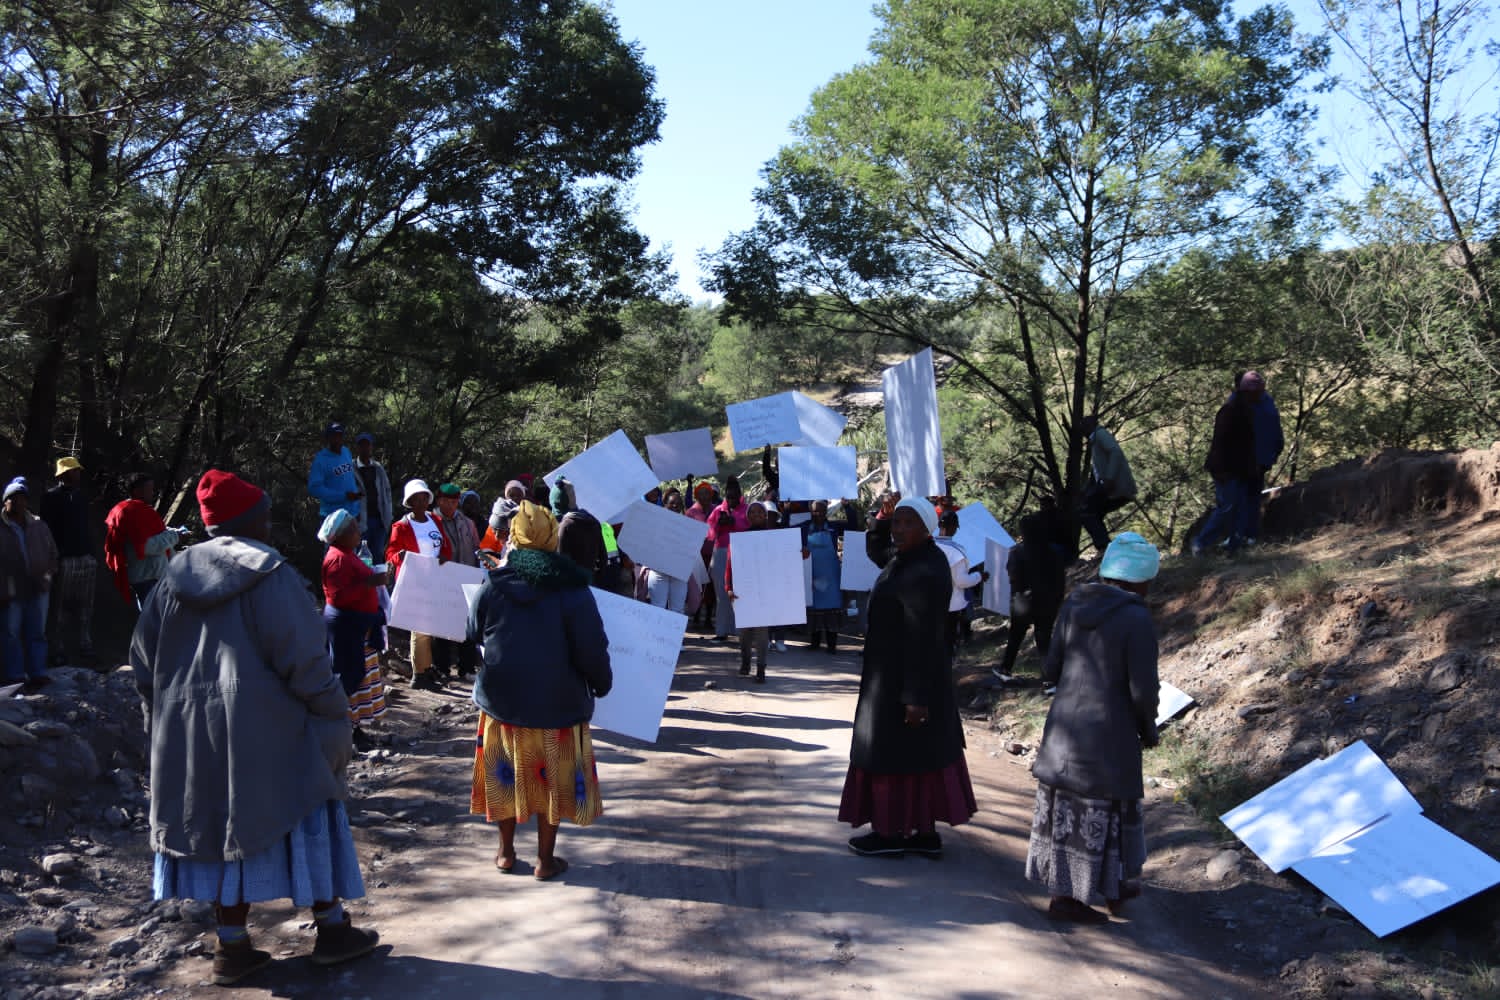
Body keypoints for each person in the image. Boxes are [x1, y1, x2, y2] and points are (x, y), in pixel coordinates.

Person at [132, 469, 377, 985]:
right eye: (264, 515)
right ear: (247, 522)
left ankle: (233, 948)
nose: (271, 524)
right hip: (271, 730)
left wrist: (162, 724)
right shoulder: (271, 575)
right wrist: (334, 710)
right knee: (308, 804)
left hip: (192, 734)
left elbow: (142, 662)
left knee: (222, 830)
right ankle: (332, 930)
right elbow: (306, 661)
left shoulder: (170, 582)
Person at [469, 500, 611, 881]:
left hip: (502, 703)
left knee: (505, 777)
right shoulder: (574, 591)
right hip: (557, 707)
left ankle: (505, 852)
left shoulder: (493, 583)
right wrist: (602, 683)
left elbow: (472, 632)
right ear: (552, 540)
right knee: (552, 784)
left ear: (513, 537)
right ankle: (545, 861)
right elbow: (592, 649)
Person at [1026, 532, 1160, 924]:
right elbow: (1143, 690)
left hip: (1064, 731)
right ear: (1141, 579)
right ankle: (1072, 900)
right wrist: (1147, 724)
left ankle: (1102, 887)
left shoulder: (1074, 604)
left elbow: (1051, 667)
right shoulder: (1136, 618)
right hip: (1109, 735)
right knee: (1105, 812)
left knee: (1066, 811)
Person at [840, 496, 976, 857]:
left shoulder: (925, 573)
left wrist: (915, 696)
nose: (898, 530)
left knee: (895, 756)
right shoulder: (913, 559)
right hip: (898, 678)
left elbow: (924, 638)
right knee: (918, 756)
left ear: (927, 528)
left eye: (907, 523)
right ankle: (922, 832)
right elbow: (878, 549)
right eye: (896, 523)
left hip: (904, 683)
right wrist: (879, 518)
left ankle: (891, 834)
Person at [319, 510, 389, 751]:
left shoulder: (348, 555)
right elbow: (339, 597)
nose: (359, 533)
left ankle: (356, 728)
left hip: (358, 627)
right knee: (347, 675)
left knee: (358, 677)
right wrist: (370, 583)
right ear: (342, 535)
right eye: (354, 529)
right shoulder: (338, 559)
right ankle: (344, 730)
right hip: (347, 628)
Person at [386, 479, 452, 692]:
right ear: (409, 502)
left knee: (429, 628)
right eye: (417, 498)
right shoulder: (402, 526)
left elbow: (445, 545)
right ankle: (419, 674)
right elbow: (391, 555)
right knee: (420, 628)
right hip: (414, 581)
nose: (422, 501)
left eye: (424, 497)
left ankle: (425, 668)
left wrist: (444, 556)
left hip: (435, 578)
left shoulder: (435, 520)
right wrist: (400, 556)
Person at [993, 513, 1068, 680]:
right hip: (1048, 600)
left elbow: (1013, 576)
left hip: (1023, 599)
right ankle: (1050, 679)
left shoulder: (1018, 551)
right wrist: (1058, 598)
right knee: (1044, 639)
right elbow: (1060, 578)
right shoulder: (1054, 551)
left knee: (1015, 635)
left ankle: (1005, 669)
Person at [1, 478, 59, 688]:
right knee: (11, 633)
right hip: (11, 589)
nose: (18, 503)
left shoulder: (38, 524)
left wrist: (47, 576)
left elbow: (53, 553)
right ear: (5, 501)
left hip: (38, 587)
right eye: (13, 499)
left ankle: (38, 673)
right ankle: (15, 675)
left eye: (22, 499)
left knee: (37, 632)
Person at [1192, 377, 1257, 555]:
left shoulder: (1245, 410)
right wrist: (1220, 469)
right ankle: (1201, 543)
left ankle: (1234, 546)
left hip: (1239, 469)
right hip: (1225, 469)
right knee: (1227, 507)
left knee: (1240, 505)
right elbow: (1220, 442)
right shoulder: (1230, 411)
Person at [41, 458, 96, 666]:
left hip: (85, 557)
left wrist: (90, 552)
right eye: (74, 471)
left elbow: (85, 526)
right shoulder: (50, 497)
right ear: (64, 474)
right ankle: (57, 647)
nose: (78, 474)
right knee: (60, 604)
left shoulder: (81, 497)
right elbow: (47, 529)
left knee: (86, 604)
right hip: (64, 559)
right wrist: (55, 555)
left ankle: (85, 644)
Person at [104, 474, 186, 609]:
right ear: (137, 491)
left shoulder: (131, 509)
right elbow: (146, 546)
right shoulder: (133, 512)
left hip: (147, 575)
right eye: (149, 489)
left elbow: (155, 531)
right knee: (153, 623)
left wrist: (174, 532)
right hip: (148, 577)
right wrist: (176, 537)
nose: (152, 493)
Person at [435, 483, 481, 681]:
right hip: (443, 580)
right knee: (442, 626)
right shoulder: (432, 520)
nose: (451, 505)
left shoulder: (466, 522)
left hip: (467, 578)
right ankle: (442, 669)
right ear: (439, 501)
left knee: (467, 625)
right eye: (447, 501)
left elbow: (477, 546)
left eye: (455, 501)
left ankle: (467, 668)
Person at [724, 501, 773, 682]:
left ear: (766, 516)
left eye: (760, 512)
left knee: (762, 633)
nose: (756, 515)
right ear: (748, 516)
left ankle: (761, 668)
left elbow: (783, 560)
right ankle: (745, 661)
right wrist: (728, 587)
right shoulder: (740, 539)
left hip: (765, 592)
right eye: (752, 512)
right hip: (744, 591)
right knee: (744, 633)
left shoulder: (774, 538)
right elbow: (730, 565)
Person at [1235, 371, 1283, 545]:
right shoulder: (1267, 403)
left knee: (1242, 497)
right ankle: (1249, 536)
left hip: (1248, 459)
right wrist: (1274, 453)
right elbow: (1277, 433)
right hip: (1260, 459)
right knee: (1252, 497)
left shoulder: (1244, 405)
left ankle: (1241, 536)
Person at [1078, 416, 1138, 554]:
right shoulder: (1095, 439)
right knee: (1093, 512)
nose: (1082, 429)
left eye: (1084, 425)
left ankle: (1104, 548)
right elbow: (1097, 470)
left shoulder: (1100, 434)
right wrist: (1086, 489)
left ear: (1091, 424)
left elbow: (1115, 452)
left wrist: (1110, 478)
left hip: (1113, 485)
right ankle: (1105, 548)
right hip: (1106, 484)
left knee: (1087, 512)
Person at [934, 509, 985, 656]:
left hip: (930, 603)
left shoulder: (928, 547)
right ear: (954, 527)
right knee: (948, 642)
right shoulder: (956, 551)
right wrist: (979, 576)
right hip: (951, 605)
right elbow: (961, 581)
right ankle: (945, 674)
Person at [706, 476, 750, 641]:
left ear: (740, 494)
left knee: (740, 592)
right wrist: (719, 523)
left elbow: (752, 528)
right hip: (722, 553)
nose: (731, 500)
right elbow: (709, 534)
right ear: (725, 495)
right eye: (728, 496)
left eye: (734, 496)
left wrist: (735, 523)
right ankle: (721, 631)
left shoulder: (747, 509)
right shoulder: (718, 510)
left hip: (741, 553)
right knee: (722, 594)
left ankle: (741, 632)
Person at [307, 423, 363, 529]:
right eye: (334, 436)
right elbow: (314, 488)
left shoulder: (346, 452)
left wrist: (356, 509)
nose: (337, 439)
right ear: (328, 438)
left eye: (340, 435)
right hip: (332, 517)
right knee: (334, 546)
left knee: (353, 546)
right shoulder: (321, 459)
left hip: (351, 515)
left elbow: (349, 480)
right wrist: (343, 496)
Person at [352, 433, 393, 552]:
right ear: (357, 447)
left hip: (379, 520)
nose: (365, 447)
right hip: (360, 521)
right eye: (362, 445)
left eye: (367, 444)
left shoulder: (378, 467)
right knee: (361, 555)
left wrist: (388, 515)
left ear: (371, 447)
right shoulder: (351, 467)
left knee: (378, 555)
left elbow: (387, 491)